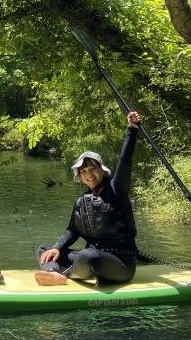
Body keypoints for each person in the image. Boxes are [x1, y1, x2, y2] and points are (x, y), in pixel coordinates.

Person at [35, 110, 142, 286]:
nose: (88, 174)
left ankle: (65, 273)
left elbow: (124, 162)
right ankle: (55, 274)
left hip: (120, 264)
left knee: (88, 256)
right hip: (90, 258)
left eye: (92, 168)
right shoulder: (82, 202)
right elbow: (72, 231)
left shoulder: (117, 190)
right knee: (45, 250)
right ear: (79, 176)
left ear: (102, 170)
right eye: (83, 171)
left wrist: (132, 129)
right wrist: (57, 248)